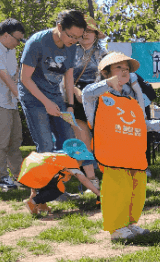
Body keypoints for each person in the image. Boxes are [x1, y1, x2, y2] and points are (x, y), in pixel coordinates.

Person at [82, 52, 160, 241]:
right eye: (119, 68)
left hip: (133, 153)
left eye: (126, 69)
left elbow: (138, 123)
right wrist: (108, 84)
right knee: (117, 190)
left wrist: (158, 124)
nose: (124, 72)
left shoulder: (132, 97)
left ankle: (130, 223)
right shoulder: (97, 96)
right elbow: (86, 93)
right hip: (112, 154)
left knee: (136, 190)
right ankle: (116, 227)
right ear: (106, 72)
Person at [19, 9, 87, 153]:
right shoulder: (37, 42)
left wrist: (70, 105)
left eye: (78, 38)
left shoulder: (71, 46)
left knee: (68, 141)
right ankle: (47, 175)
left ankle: (62, 174)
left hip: (54, 95)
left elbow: (68, 77)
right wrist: (46, 103)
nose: (74, 41)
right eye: (71, 36)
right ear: (60, 26)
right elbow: (25, 78)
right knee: (46, 145)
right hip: (33, 96)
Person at [70, 15, 107, 193]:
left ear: (95, 34)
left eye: (90, 31)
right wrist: (77, 92)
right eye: (83, 31)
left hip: (99, 97)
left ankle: (110, 174)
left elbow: (109, 78)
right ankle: (91, 179)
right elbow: (65, 76)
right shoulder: (70, 51)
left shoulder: (103, 53)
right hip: (76, 97)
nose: (86, 34)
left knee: (102, 139)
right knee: (83, 139)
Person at [19, 138, 100, 215]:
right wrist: (98, 193)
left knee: (49, 184)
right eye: (82, 160)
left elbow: (38, 170)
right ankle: (33, 202)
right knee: (57, 190)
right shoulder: (71, 164)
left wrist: (33, 191)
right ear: (77, 158)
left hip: (32, 166)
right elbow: (84, 180)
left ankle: (41, 205)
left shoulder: (60, 156)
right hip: (41, 172)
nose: (82, 163)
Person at [0, 18, 25, 190]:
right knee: (2, 142)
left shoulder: (11, 51)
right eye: (17, 39)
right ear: (6, 35)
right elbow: (5, 77)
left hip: (11, 103)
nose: (18, 43)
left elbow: (15, 75)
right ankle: (2, 177)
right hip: (1, 103)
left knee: (15, 141)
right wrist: (22, 97)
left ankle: (19, 176)